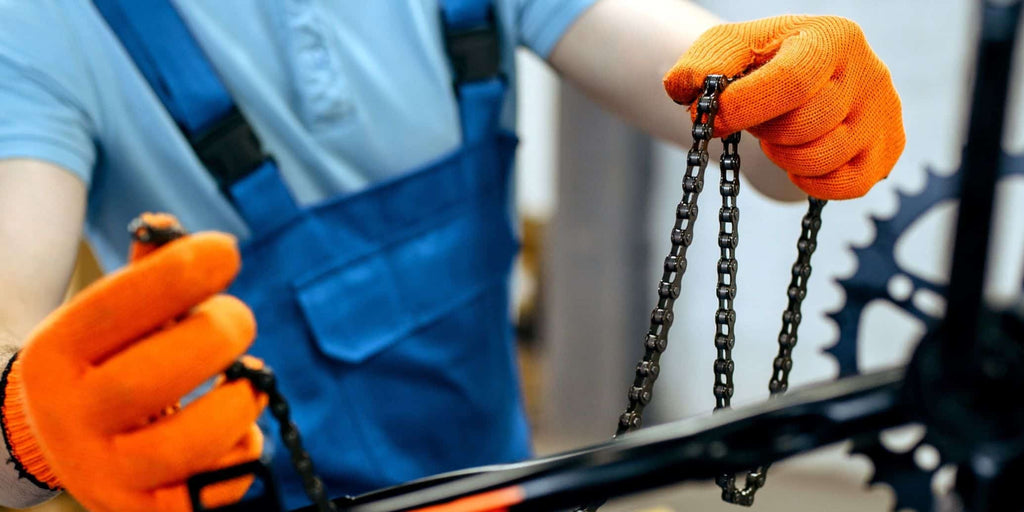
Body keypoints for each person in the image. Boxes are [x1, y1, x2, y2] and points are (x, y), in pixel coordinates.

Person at [0, 1, 904, 511]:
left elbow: (713, 94)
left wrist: (796, 95)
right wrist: (27, 427)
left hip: (500, 485)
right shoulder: (39, 31)